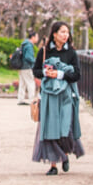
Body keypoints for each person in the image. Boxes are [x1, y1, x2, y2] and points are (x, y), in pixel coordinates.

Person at [32, 21, 84, 175]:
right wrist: (46, 73)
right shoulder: (44, 51)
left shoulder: (71, 53)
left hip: (66, 96)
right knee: (50, 128)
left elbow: (77, 75)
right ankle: (53, 165)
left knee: (65, 128)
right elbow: (35, 71)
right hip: (49, 96)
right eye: (62, 32)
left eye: (67, 32)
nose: (65, 35)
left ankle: (65, 154)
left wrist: (60, 74)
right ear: (54, 34)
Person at [17, 30, 39, 105]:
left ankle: (20, 99)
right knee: (31, 83)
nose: (37, 38)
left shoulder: (24, 44)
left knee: (22, 83)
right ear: (33, 37)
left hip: (21, 66)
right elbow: (28, 57)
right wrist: (35, 61)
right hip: (27, 67)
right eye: (37, 37)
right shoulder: (29, 45)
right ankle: (32, 100)